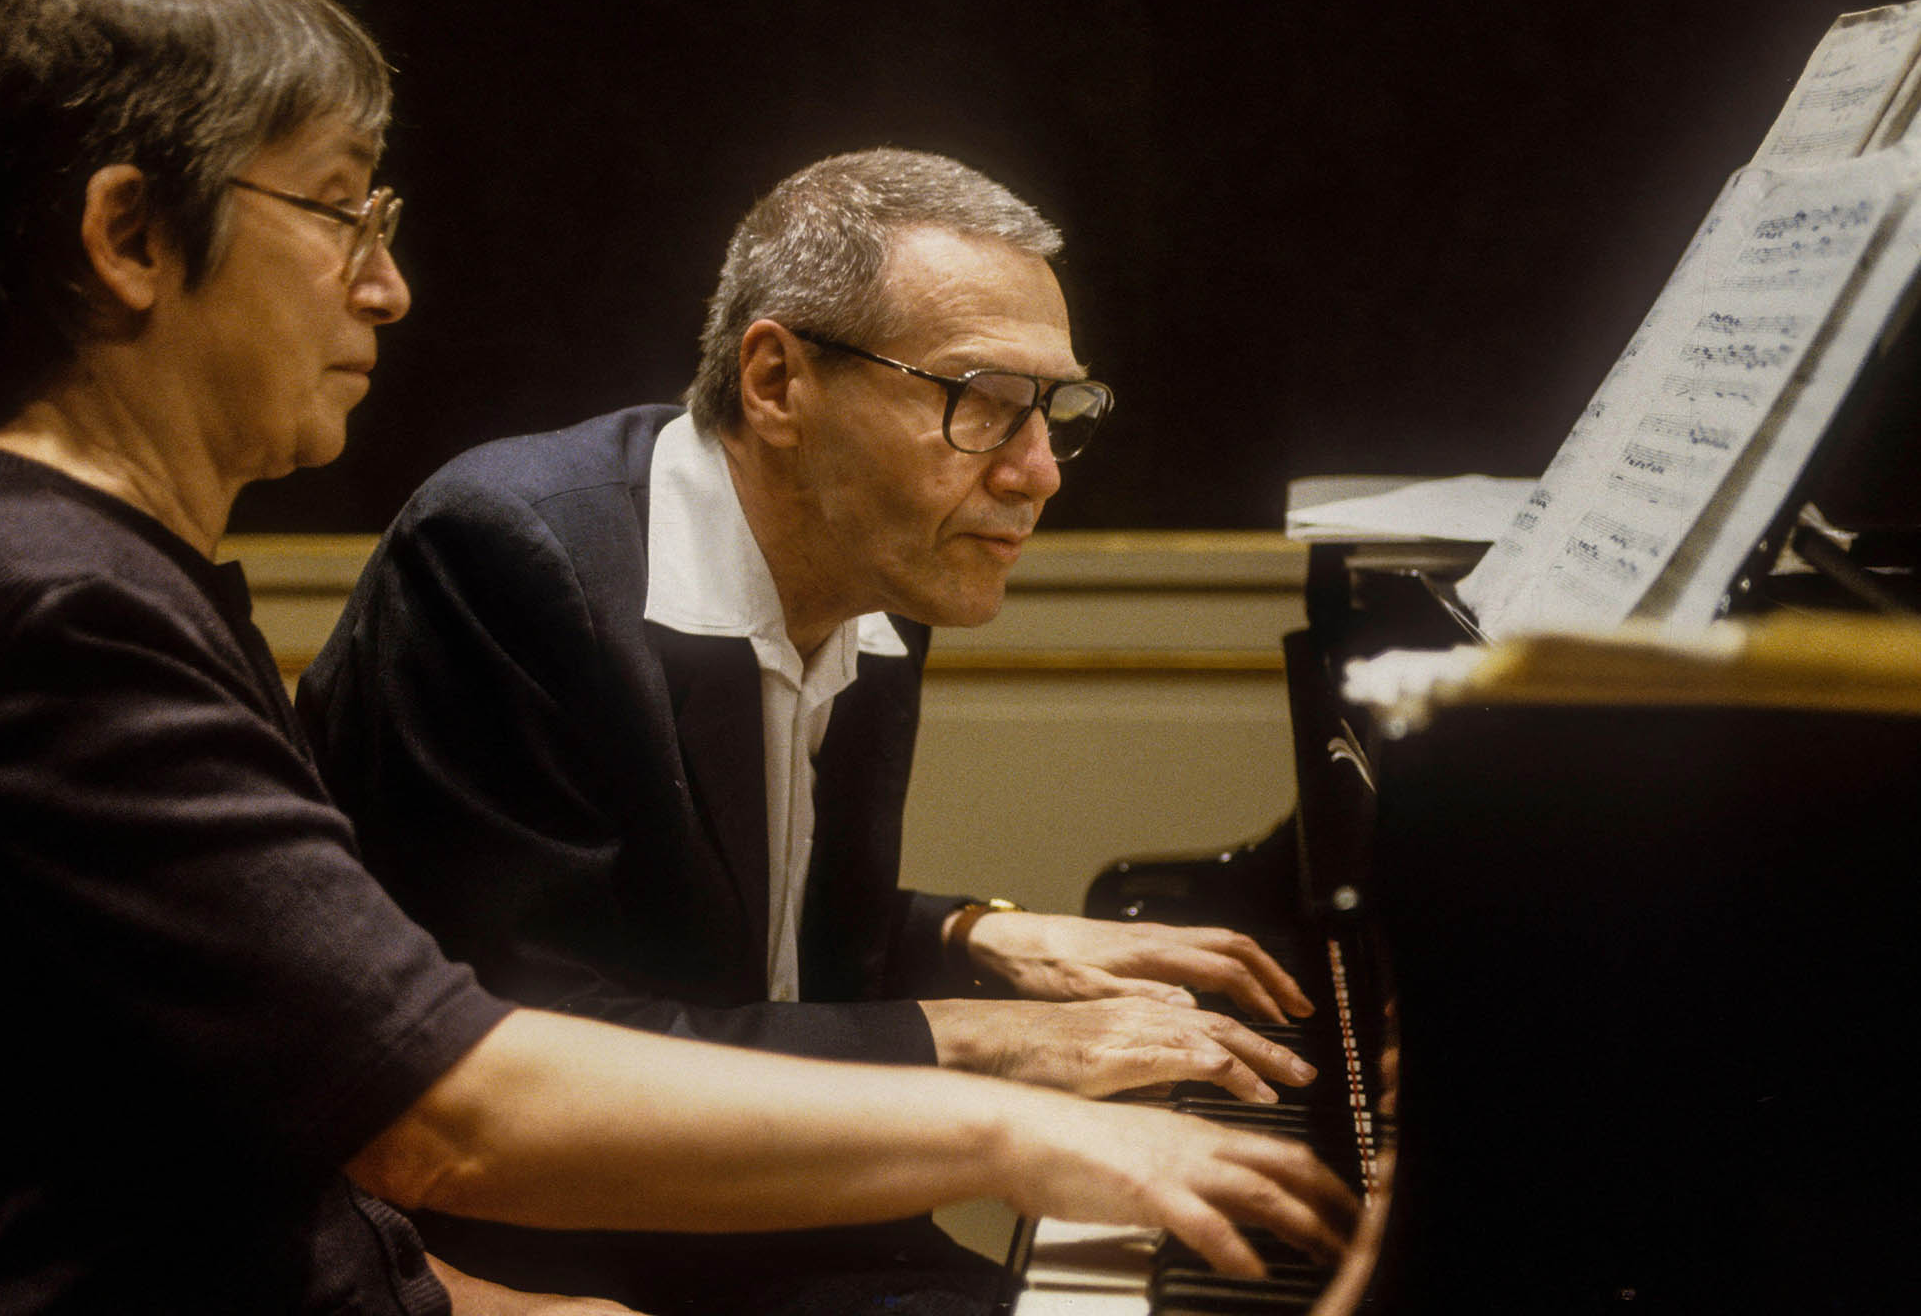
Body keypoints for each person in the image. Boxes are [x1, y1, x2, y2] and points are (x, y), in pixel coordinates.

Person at [0, 0, 1362, 1316]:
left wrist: (971, 952)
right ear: (131, 239)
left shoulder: (101, 582)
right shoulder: (41, 609)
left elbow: (252, 1139)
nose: (392, 288)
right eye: (342, 210)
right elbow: (448, 1101)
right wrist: (1021, 1115)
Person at [297, 149, 1330, 1311]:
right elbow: (519, 1040)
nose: (1037, 470)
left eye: (1054, 409)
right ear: (778, 381)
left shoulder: (875, 556)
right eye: (980, 400)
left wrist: (982, 934)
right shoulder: (509, 554)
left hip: (774, 1210)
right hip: (551, 1254)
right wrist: (987, 1043)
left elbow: (739, 936)